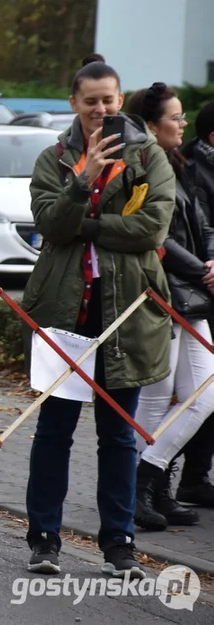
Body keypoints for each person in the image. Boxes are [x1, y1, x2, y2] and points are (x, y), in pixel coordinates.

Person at [22, 55, 174, 579]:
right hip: (67, 312)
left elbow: (153, 230)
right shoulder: (54, 158)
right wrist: (81, 179)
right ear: (74, 104)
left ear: (118, 97)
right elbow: (49, 222)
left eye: (109, 100)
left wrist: (85, 227)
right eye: (91, 102)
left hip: (127, 314)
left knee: (117, 436)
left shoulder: (148, 156)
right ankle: (44, 540)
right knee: (55, 430)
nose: (101, 110)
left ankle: (119, 545)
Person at [128, 87, 214, 526]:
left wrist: (211, 261)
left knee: (203, 395)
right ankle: (143, 488)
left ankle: (148, 478)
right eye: (175, 118)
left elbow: (202, 224)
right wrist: (203, 270)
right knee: (159, 397)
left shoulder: (181, 166)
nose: (183, 124)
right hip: (167, 293)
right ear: (151, 123)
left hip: (192, 294)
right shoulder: (141, 166)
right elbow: (155, 235)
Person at [175, 101, 214, 508]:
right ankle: (161, 476)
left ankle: (193, 477)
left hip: (202, 281)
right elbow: (188, 233)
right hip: (196, 292)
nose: (180, 124)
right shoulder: (189, 167)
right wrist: (207, 269)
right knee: (198, 392)